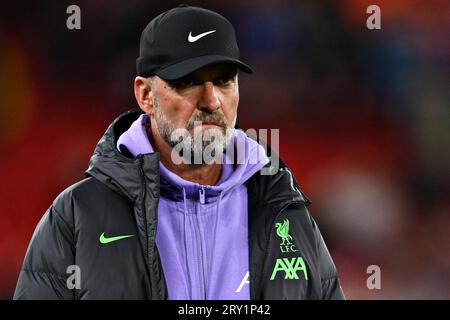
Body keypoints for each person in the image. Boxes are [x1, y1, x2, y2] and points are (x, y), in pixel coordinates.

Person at [14, 5, 344, 300]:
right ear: (145, 95)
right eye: (187, 82)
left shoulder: (283, 211)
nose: (211, 101)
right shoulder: (77, 215)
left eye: (225, 81)